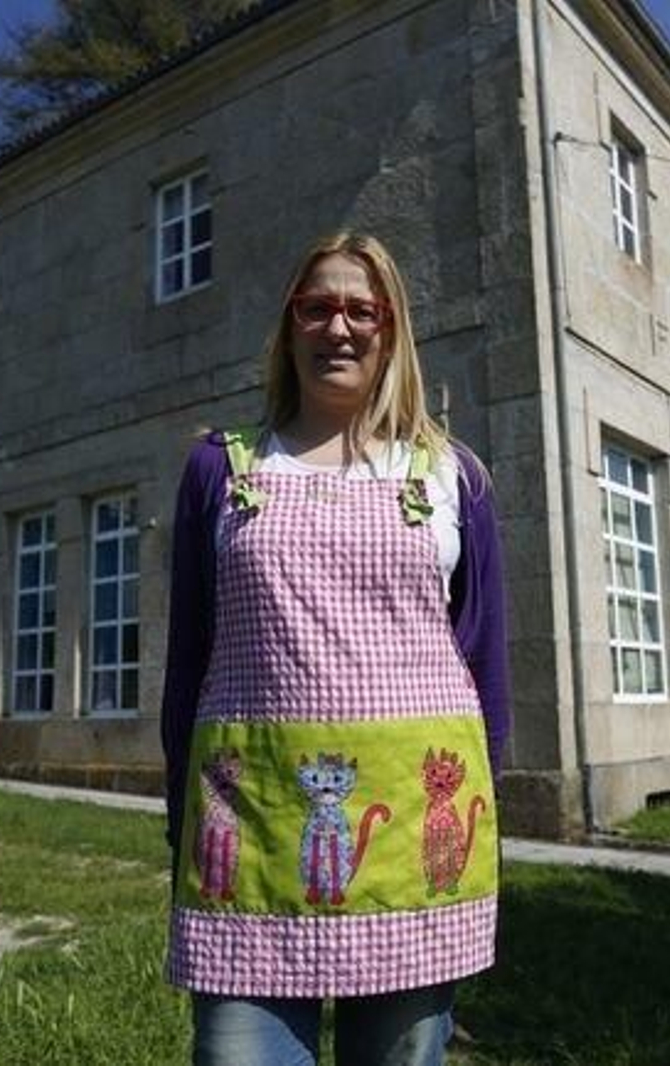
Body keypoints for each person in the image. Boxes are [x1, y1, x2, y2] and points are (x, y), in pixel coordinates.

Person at [159, 231, 511, 1065]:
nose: (338, 328)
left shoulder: (452, 477)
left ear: (392, 330)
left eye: (362, 310)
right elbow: (189, 661)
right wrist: (182, 819)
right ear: (289, 327)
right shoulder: (220, 470)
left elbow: (485, 662)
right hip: (250, 837)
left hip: (410, 853)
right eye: (316, 308)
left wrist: (480, 819)